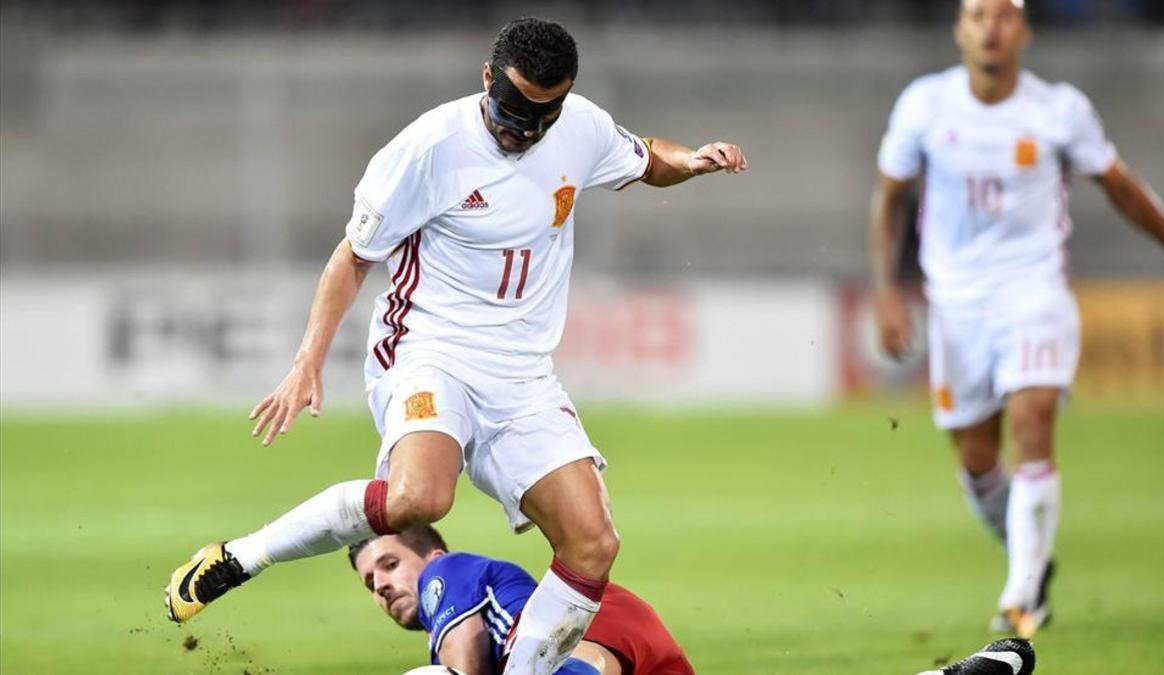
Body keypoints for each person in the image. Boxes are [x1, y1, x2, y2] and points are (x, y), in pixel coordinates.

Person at [164, 16, 747, 675]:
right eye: (514, 106)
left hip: (522, 373)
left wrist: (692, 161)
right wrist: (307, 362)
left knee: (592, 542)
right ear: (488, 77)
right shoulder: (428, 148)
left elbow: (645, 157)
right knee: (419, 499)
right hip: (428, 351)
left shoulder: (578, 126)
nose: (525, 126)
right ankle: (241, 556)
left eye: (543, 113)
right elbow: (352, 258)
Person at [869, 0, 1164, 639]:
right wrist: (886, 292)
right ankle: (1030, 559)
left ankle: (1022, 595)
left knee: (1032, 419)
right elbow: (889, 199)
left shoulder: (1059, 110)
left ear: (1023, 29)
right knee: (977, 459)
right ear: (959, 29)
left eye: (1004, 15)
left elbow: (1119, 183)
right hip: (956, 304)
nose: (990, 26)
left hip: (1034, 289)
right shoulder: (924, 105)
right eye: (977, 14)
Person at [349, 526, 695, 675]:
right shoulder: (440, 643)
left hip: (583, 624)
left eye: (390, 565)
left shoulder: (443, 571)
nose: (381, 585)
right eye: (370, 582)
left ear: (433, 554)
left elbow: (465, 646)